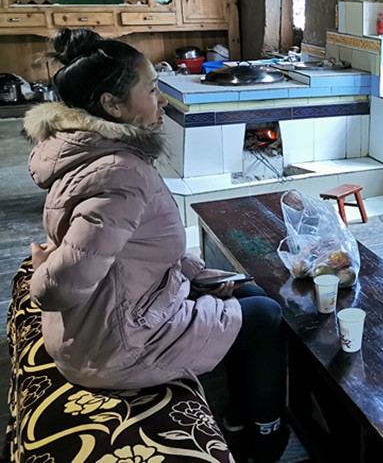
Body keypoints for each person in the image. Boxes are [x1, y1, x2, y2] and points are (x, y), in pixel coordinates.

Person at [25, 29, 289, 462]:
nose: (162, 99)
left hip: (117, 313)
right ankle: (266, 438)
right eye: (151, 89)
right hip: (118, 345)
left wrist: (200, 278)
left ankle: (238, 419)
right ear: (113, 105)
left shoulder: (90, 152)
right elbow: (59, 286)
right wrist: (43, 266)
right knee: (267, 315)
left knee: (250, 292)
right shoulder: (118, 172)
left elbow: (133, 252)